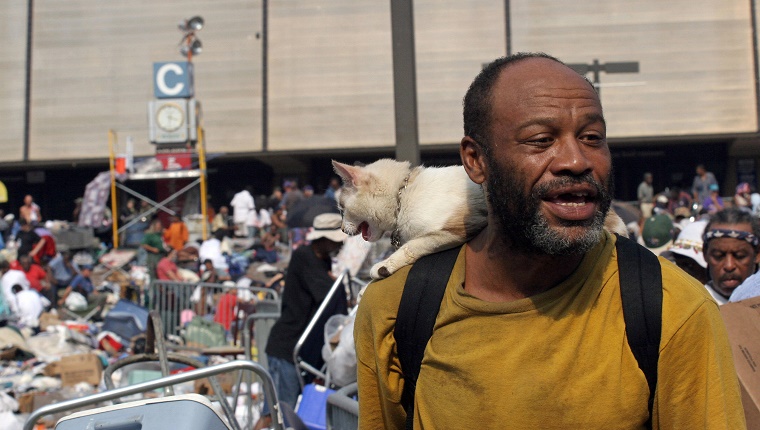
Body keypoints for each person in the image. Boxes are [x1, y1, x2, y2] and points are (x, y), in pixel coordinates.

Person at [354, 53, 744, 429]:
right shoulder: (395, 308)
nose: (576, 160)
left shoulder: (674, 308)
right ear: (475, 160)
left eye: (592, 137)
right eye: (541, 140)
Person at [257, 213, 348, 426]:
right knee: (278, 411)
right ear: (322, 239)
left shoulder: (322, 261)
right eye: (334, 239)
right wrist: (337, 284)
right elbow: (325, 292)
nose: (338, 243)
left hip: (302, 352)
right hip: (287, 346)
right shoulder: (303, 256)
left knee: (286, 411)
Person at [702, 207, 760, 305]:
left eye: (740, 256)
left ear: (757, 254)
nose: (729, 266)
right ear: (705, 254)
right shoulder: (695, 308)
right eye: (718, 256)